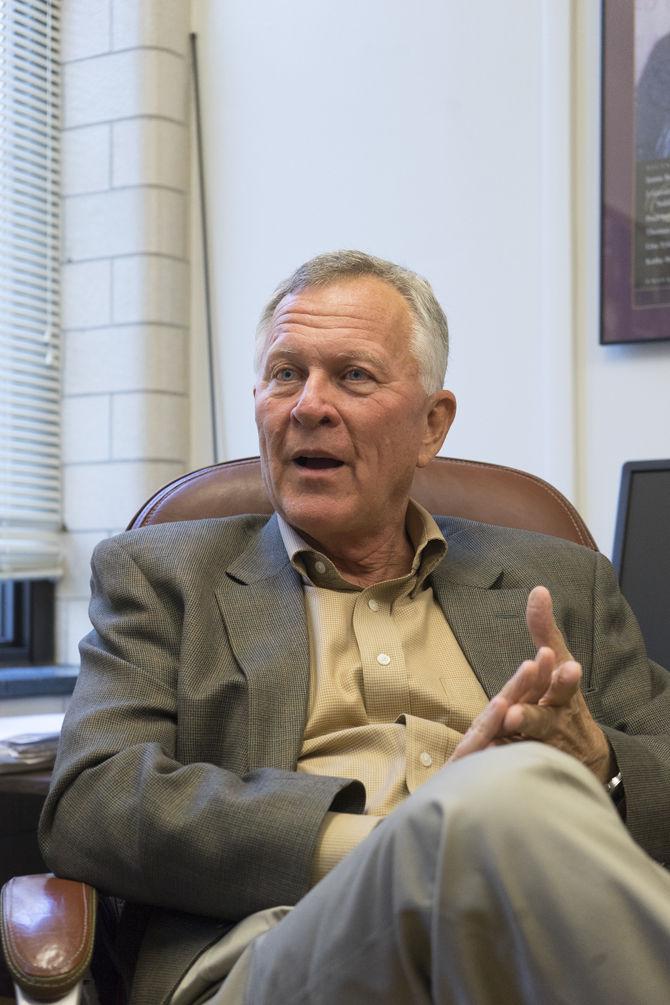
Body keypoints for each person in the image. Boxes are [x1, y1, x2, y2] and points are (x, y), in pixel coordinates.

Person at [40, 251, 670, 1005]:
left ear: (431, 425)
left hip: (531, 948)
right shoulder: (166, 576)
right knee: (515, 788)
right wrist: (395, 847)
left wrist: (603, 764)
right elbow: (94, 799)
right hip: (273, 945)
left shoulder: (559, 581)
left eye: (353, 375)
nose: (309, 404)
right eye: (284, 373)